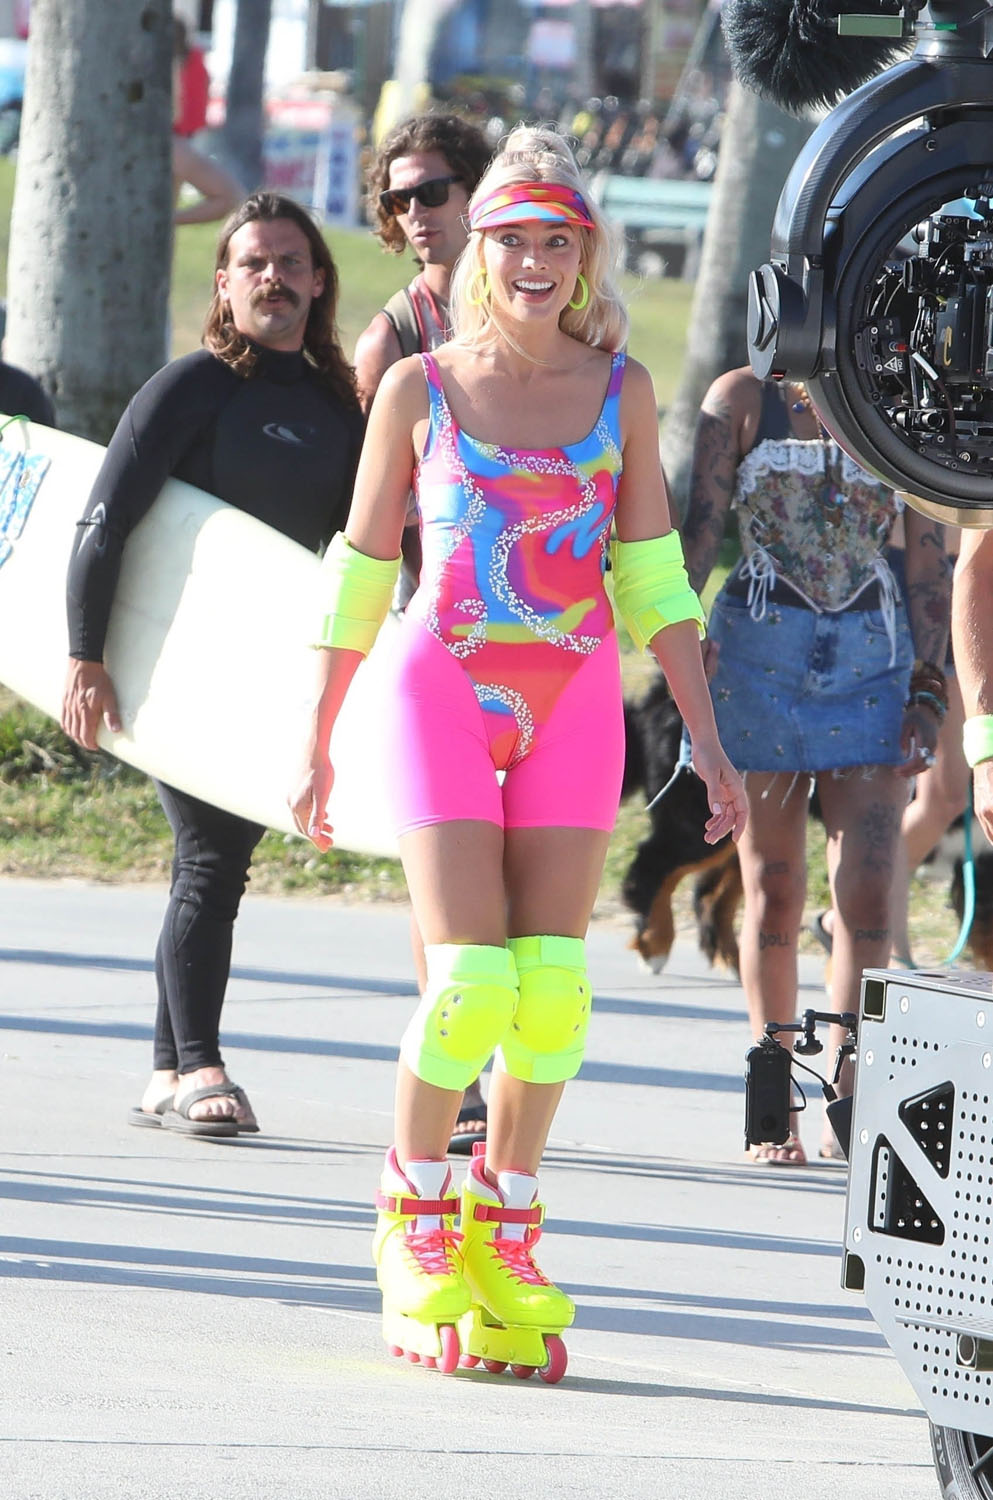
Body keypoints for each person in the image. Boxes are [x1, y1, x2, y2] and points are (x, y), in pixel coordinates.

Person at [289, 126, 746, 1374]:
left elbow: (653, 577)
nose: (534, 261)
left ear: (585, 251)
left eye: (557, 239)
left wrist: (708, 742)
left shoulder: (622, 390)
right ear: (476, 249)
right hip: (442, 685)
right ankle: (414, 1217)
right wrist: (317, 739)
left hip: (576, 696)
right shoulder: (418, 388)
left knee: (553, 995)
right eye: (512, 240)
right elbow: (362, 571)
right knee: (469, 986)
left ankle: (507, 1232)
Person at [61, 193, 364, 1137]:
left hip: (270, 666)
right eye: (254, 264)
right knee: (210, 858)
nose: (274, 278)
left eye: (291, 263)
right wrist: (84, 654)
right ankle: (199, 1066)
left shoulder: (340, 409)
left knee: (218, 862)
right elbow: (103, 521)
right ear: (224, 285)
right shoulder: (189, 388)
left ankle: (166, 1069)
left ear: (319, 282)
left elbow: (359, 553)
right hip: (177, 658)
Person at [682, 367, 950, 1165]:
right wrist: (677, 637)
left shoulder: (905, 400)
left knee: (867, 882)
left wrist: (928, 688)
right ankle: (773, 1088)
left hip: (871, 663)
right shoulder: (741, 400)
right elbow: (697, 533)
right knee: (772, 883)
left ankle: (850, 1087)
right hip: (755, 658)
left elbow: (928, 562)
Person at [355, 111, 492, 1153]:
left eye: (433, 190)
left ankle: (504, 1054)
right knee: (442, 856)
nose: (416, 214)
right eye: (398, 198)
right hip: (435, 623)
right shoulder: (394, 339)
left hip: (545, 629)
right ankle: (458, 1068)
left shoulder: (543, 303)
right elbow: (377, 508)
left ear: (477, 192)